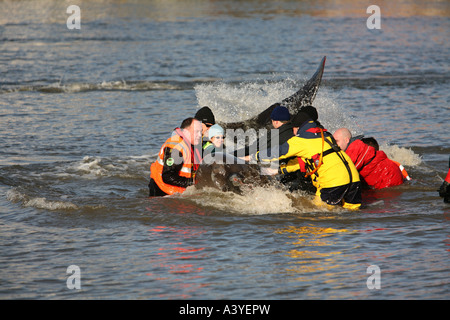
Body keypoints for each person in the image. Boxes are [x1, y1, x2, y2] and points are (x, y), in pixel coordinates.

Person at [249, 111, 362, 210]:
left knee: (317, 215)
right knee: (352, 214)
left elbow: (279, 152)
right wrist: (280, 170)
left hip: (333, 182)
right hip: (354, 180)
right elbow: (302, 162)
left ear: (297, 128)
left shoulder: (301, 140)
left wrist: (252, 157)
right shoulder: (325, 136)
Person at [333, 128, 406, 190]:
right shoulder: (355, 147)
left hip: (389, 179)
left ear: (346, 140)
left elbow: (343, 172)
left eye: (336, 141)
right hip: (391, 174)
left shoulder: (355, 148)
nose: (334, 144)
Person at [149, 117, 203, 197]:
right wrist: (193, 182)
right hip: (162, 192)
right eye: (196, 132)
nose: (200, 135)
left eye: (201, 132)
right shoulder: (176, 148)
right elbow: (167, 176)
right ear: (185, 132)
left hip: (178, 192)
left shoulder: (192, 145)